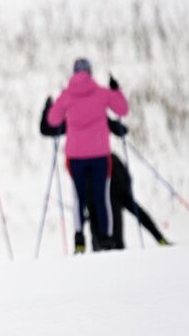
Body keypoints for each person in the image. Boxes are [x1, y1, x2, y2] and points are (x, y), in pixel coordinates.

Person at [39, 103, 170, 250]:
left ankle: (102, 248)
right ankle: (159, 239)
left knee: (100, 212)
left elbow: (47, 129)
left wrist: (48, 109)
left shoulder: (73, 121)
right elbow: (121, 130)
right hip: (112, 168)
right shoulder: (98, 116)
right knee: (126, 207)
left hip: (97, 174)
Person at [45, 59, 129, 252]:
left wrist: (52, 105)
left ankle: (79, 237)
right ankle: (106, 238)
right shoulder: (101, 92)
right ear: (90, 72)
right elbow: (122, 109)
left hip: (75, 156)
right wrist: (116, 90)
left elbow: (53, 119)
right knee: (102, 197)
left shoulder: (67, 95)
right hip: (100, 153)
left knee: (78, 198)